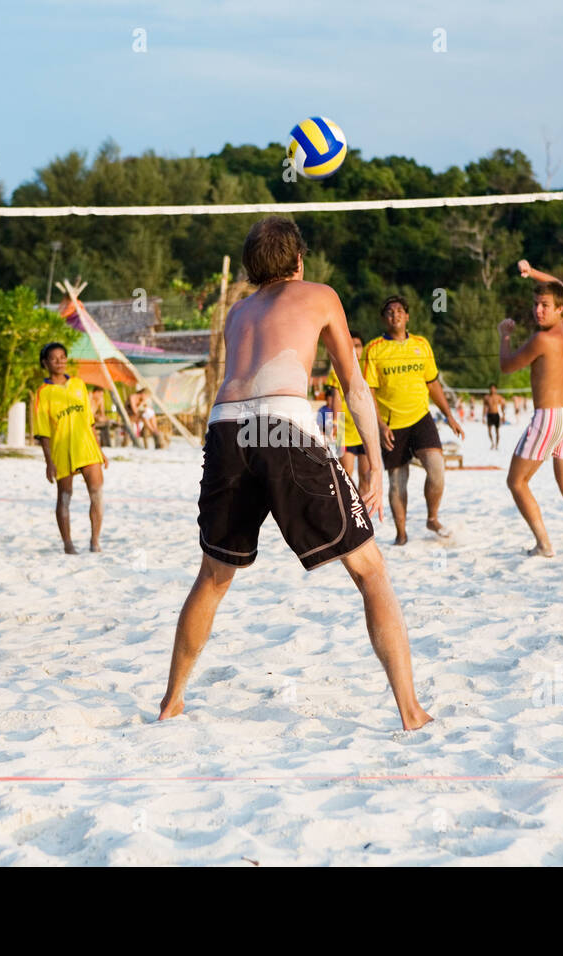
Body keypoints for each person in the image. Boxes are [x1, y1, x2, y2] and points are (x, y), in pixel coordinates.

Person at [159, 216, 431, 730]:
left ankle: (172, 700)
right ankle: (410, 711)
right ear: (300, 261)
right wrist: (373, 460)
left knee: (213, 576)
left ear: (250, 268)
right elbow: (353, 385)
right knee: (370, 570)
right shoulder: (320, 294)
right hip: (282, 425)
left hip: (226, 430)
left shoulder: (238, 312)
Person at [499, 260, 563, 556]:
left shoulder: (541, 339)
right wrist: (533, 274)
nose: (538, 310)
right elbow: (561, 286)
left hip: (549, 417)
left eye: (544, 305)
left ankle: (544, 545)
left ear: (559, 309)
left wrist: (504, 334)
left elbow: (506, 366)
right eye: (535, 304)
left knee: (516, 482)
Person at [361, 295, 464, 544]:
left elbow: (433, 383)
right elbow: (368, 391)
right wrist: (379, 424)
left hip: (421, 418)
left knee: (437, 470)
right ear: (383, 319)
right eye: (389, 312)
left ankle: (432, 517)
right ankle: (401, 534)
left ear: (407, 316)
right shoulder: (373, 349)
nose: (394, 315)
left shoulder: (421, 344)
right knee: (397, 483)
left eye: (399, 311)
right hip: (391, 424)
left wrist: (449, 415)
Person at [34, 342, 106, 553]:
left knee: (97, 493)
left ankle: (95, 541)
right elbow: (43, 432)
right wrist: (49, 462)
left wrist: (100, 450)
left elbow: (89, 420)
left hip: (87, 446)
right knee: (64, 497)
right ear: (45, 363)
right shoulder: (43, 393)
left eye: (63, 357)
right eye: (54, 358)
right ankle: (68, 544)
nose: (60, 361)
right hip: (61, 450)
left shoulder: (78, 384)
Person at [325, 330, 370, 491]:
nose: (354, 349)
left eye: (357, 346)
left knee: (366, 475)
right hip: (343, 427)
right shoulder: (336, 370)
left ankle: (362, 511)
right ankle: (348, 510)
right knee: (346, 473)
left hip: (366, 428)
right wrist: (335, 424)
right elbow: (335, 399)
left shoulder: (369, 370)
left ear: (363, 348)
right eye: (350, 345)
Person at [483, 384, 507, 450]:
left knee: (497, 431)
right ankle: (492, 443)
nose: (492, 390)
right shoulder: (486, 397)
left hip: (496, 415)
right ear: (489, 389)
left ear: (495, 389)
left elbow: (503, 406)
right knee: (489, 431)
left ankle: (497, 445)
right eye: (491, 388)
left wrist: (504, 416)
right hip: (489, 415)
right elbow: (484, 407)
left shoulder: (498, 397)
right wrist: (483, 417)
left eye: (494, 388)